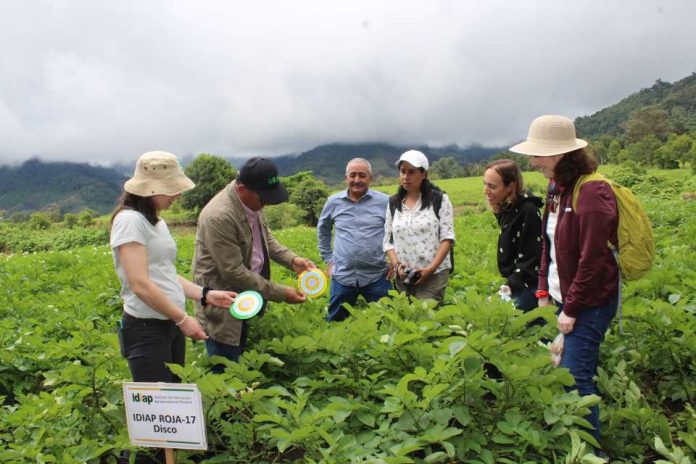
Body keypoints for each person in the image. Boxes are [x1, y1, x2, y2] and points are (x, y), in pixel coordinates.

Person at [510, 115, 619, 443]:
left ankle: (593, 452)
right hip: (562, 295)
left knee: (575, 377)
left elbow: (594, 258)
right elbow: (549, 244)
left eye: (538, 154)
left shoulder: (593, 192)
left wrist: (571, 309)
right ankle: (576, 440)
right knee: (563, 370)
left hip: (590, 301)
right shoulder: (557, 188)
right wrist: (543, 287)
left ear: (560, 154)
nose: (532, 161)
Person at [110, 151, 236, 383]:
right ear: (151, 188)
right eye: (171, 188)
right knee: (157, 407)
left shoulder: (156, 221)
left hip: (169, 324)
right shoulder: (129, 221)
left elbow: (164, 273)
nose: (177, 194)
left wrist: (206, 295)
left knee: (173, 399)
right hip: (146, 328)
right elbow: (140, 284)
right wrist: (182, 319)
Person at [192, 157, 315, 367]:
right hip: (223, 298)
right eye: (263, 198)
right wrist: (281, 293)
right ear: (241, 189)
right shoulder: (219, 216)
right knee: (226, 360)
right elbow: (234, 272)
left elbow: (264, 238)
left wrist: (292, 260)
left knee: (241, 353)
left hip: (247, 294)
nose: (265, 203)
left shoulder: (253, 204)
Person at [317, 158, 391, 321]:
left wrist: (395, 261)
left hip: (377, 275)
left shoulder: (385, 202)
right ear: (346, 178)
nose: (357, 180)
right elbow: (323, 229)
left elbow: (397, 232)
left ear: (370, 178)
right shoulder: (333, 202)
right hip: (343, 275)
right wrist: (328, 260)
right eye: (353, 175)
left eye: (362, 175)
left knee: (388, 321)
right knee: (335, 324)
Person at [383, 150, 455, 303]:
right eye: (402, 172)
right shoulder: (394, 203)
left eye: (411, 172)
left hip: (433, 275)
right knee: (406, 320)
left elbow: (447, 237)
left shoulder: (439, 199)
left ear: (423, 174)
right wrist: (396, 266)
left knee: (426, 320)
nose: (405, 177)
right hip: (404, 277)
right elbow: (388, 241)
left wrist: (431, 269)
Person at [483, 159, 543, 312]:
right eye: (485, 184)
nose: (486, 190)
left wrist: (510, 286)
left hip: (532, 284)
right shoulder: (507, 208)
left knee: (502, 318)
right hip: (517, 281)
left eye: (492, 186)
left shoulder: (527, 211)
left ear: (510, 187)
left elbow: (531, 258)